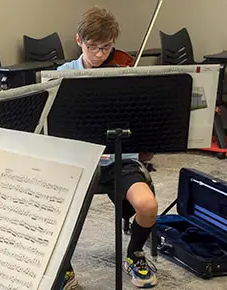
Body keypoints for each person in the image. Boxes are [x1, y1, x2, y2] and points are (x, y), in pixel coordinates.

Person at [54, 6, 159, 289]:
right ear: (79, 41)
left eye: (107, 47)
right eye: (93, 47)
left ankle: (134, 254)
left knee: (148, 206)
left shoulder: (124, 72)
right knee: (59, 213)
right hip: (80, 162)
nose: (100, 55)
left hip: (119, 158)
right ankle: (64, 269)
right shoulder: (63, 75)